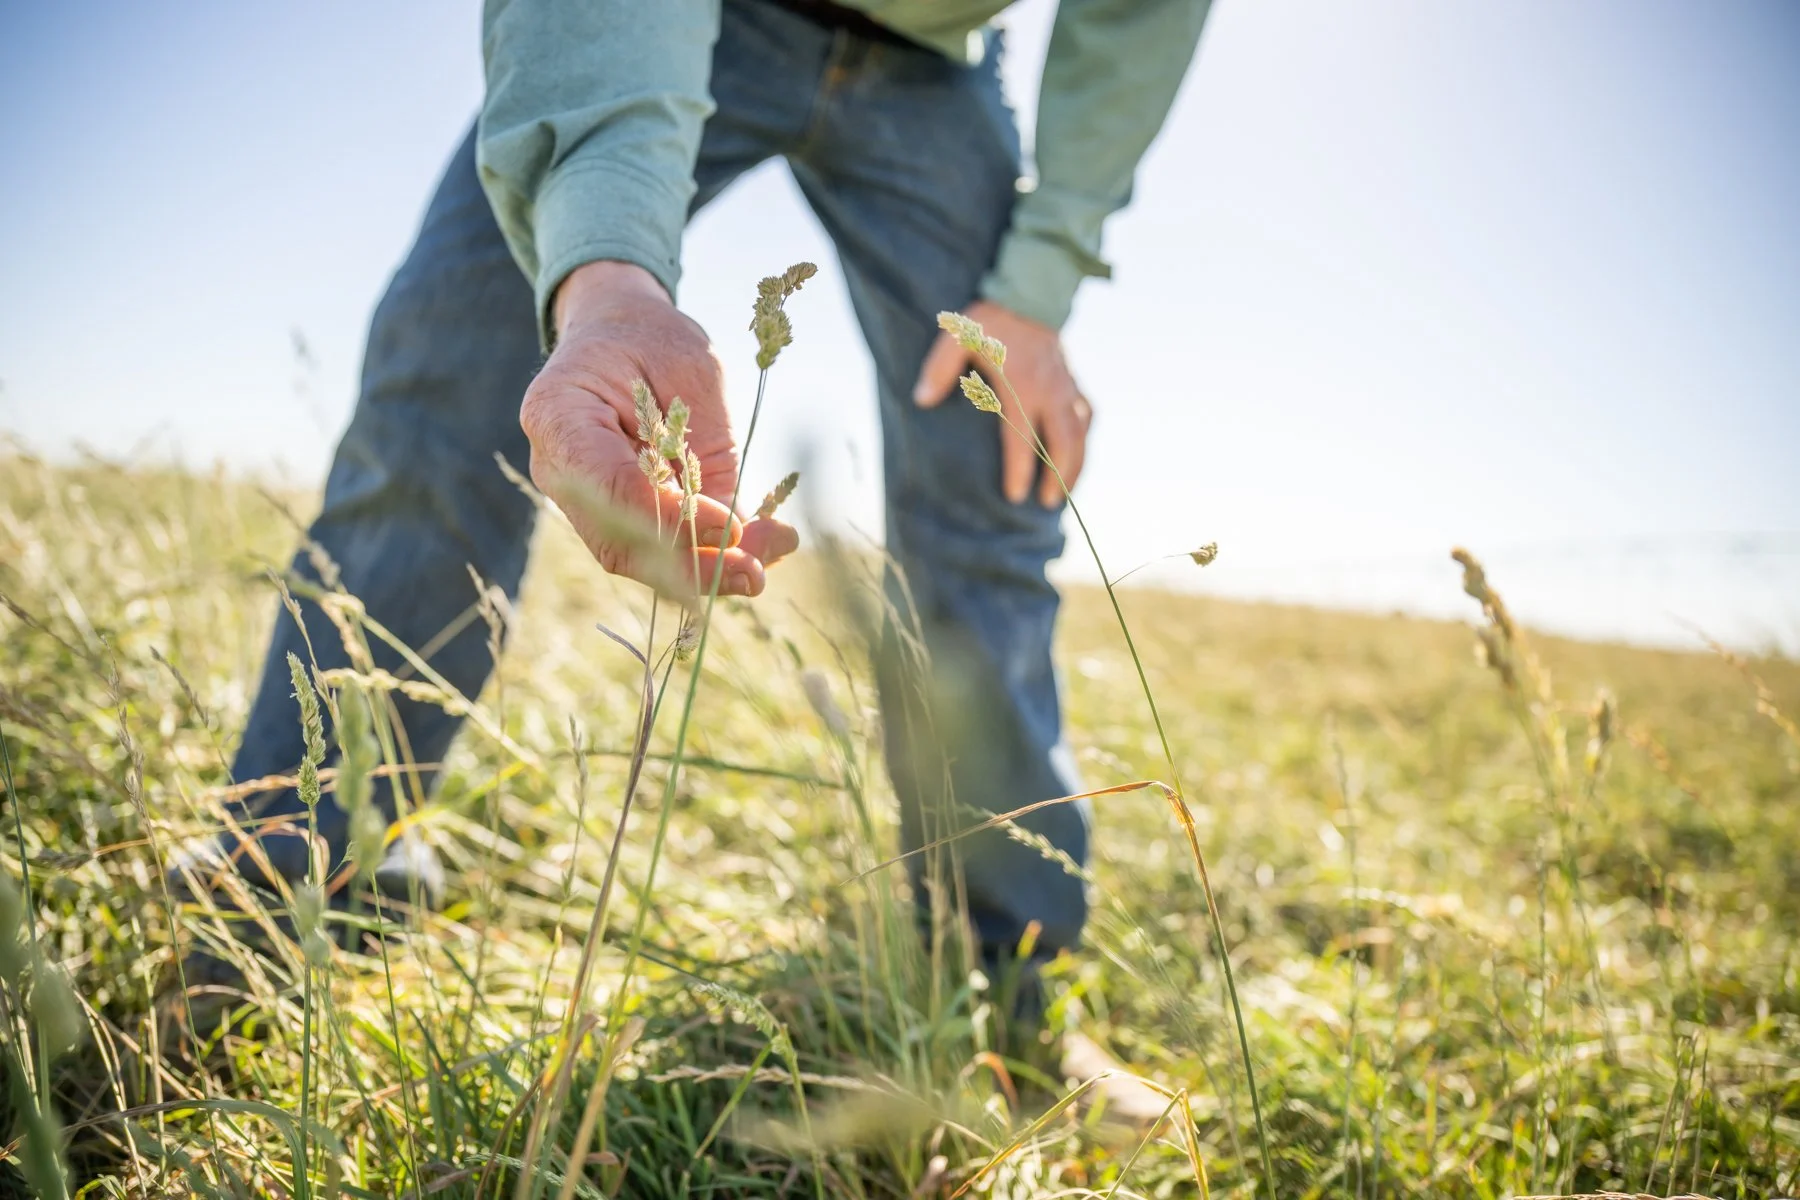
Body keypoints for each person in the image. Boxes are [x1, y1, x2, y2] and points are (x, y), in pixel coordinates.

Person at [214, 0, 1211, 1025]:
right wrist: (604, 281)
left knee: (993, 447)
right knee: (453, 368)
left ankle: (1006, 994)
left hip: (938, 61)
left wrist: (1038, 284)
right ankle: (279, 894)